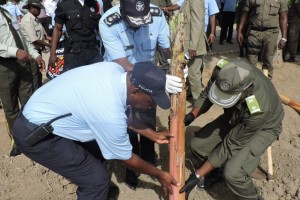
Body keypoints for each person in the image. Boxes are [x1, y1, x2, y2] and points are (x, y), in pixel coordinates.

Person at [13, 61, 179, 199]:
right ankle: (97, 191)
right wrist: (159, 174)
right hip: (37, 135)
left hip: (46, 113)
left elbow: (120, 115)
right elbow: (123, 157)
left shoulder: (114, 70)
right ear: (135, 91)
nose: (152, 105)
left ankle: (101, 193)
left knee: (98, 154)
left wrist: (151, 134)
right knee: (95, 180)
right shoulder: (108, 110)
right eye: (151, 100)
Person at [99, 0, 184, 190]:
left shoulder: (155, 14)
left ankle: (149, 163)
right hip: (121, 81)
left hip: (149, 78)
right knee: (128, 127)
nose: (139, 25)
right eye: (133, 21)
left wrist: (175, 65)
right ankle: (131, 172)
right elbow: (120, 61)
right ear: (122, 12)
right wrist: (160, 79)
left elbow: (165, 46)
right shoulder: (108, 22)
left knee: (147, 123)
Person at [180, 58, 284, 199]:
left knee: (233, 173)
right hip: (235, 115)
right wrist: (192, 115)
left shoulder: (258, 108)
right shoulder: (224, 70)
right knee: (197, 145)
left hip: (264, 127)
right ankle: (217, 170)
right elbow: (207, 94)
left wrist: (197, 174)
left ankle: (253, 197)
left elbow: (231, 144)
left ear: (245, 90)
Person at [0, 3, 45, 157]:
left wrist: (35, 54)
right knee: (11, 107)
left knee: (29, 101)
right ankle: (17, 141)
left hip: (23, 63)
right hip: (4, 66)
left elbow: (21, 38)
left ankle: (32, 135)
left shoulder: (6, 12)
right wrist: (15, 51)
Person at [162, 0, 208, 102]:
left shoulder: (196, 1)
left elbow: (197, 22)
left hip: (194, 46)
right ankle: (192, 94)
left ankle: (199, 102)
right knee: (188, 73)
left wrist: (193, 47)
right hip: (188, 45)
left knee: (194, 75)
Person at [237, 0, 288, 79]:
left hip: (271, 33)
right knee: (251, 58)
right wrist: (239, 31)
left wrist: (284, 38)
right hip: (254, 32)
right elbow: (245, 14)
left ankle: (266, 82)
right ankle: (251, 82)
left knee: (268, 59)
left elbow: (283, 17)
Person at [49, 0, 103, 72]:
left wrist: (108, 45)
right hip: (74, 53)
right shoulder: (64, 5)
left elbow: (99, 28)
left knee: (97, 77)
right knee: (73, 80)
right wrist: (52, 53)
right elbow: (57, 29)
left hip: (92, 51)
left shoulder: (94, 4)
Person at [20, 0, 51, 90]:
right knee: (35, 74)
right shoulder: (27, 20)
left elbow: (44, 35)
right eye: (38, 9)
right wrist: (50, 45)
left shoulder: (35, 19)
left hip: (38, 50)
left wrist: (52, 39)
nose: (40, 11)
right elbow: (35, 40)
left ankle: (39, 89)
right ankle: (36, 92)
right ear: (32, 8)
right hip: (32, 51)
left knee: (38, 72)